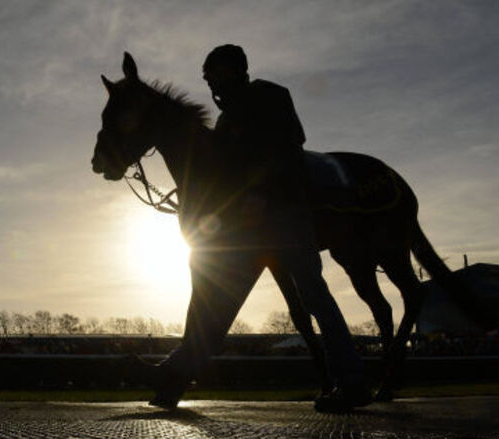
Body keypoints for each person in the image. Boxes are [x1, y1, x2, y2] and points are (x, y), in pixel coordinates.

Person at [144, 44, 371, 412]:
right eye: (206, 75)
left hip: (285, 213)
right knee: (222, 304)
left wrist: (261, 194)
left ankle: (352, 381)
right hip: (249, 228)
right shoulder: (225, 121)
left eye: (214, 72)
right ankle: (174, 374)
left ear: (236, 70)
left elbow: (288, 145)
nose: (209, 80)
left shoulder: (270, 95)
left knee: (314, 296)